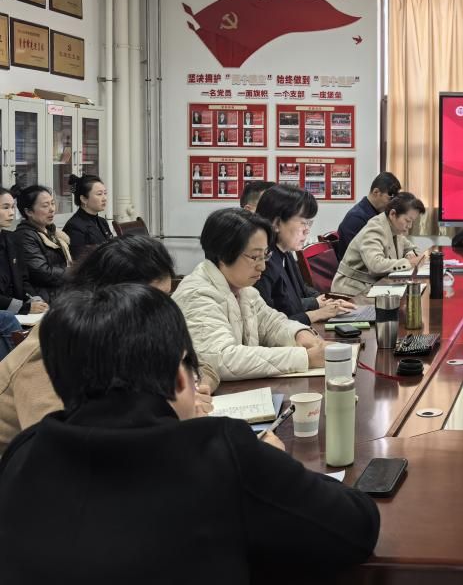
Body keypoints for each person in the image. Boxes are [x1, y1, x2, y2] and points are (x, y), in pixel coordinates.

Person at [0, 284, 380, 583]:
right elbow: (356, 528)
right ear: (181, 376)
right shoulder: (218, 450)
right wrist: (274, 460)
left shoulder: (23, 455)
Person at [0, 235, 216, 454]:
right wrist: (171, 408)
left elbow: (201, 366)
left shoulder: (130, 332)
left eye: (166, 298)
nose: (162, 312)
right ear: (106, 297)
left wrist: (194, 388)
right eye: (149, 303)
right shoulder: (52, 349)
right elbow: (62, 449)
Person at [174, 209, 326, 381]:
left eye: (265, 255)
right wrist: (305, 358)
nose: (262, 266)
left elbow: (272, 324)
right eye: (254, 257)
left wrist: (300, 334)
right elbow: (222, 359)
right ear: (223, 255)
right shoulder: (196, 295)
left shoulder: (244, 289)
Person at [254, 185, 352, 325]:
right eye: (303, 222)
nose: (307, 230)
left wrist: (328, 301)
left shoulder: (285, 252)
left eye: (309, 223)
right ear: (276, 223)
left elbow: (302, 290)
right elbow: (269, 325)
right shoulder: (263, 263)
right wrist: (316, 314)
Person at [333, 192, 428, 296]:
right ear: (393, 214)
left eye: (412, 222)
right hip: (352, 287)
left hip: (374, 283)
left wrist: (410, 253)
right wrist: (409, 262)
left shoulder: (395, 229)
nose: (409, 226)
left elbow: (413, 249)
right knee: (404, 300)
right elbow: (376, 265)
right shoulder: (375, 229)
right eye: (407, 220)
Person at [12, 185, 70, 303]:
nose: (52, 209)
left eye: (52, 203)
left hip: (62, 292)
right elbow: (42, 272)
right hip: (45, 298)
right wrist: (74, 272)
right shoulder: (25, 236)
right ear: (28, 212)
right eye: (45, 205)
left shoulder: (52, 232)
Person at [0, 187, 46, 317]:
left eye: (12, 207)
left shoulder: (12, 239)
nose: (11, 213)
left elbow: (23, 279)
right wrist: (23, 308)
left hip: (19, 313)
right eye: (5, 207)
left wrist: (35, 300)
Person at [336, 172, 402, 261]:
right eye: (390, 198)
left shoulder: (378, 214)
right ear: (376, 192)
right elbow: (366, 257)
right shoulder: (356, 218)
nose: (392, 203)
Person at [62, 174, 114, 261]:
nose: (104, 198)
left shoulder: (102, 221)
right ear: (84, 199)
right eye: (99, 194)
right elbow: (80, 261)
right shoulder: (74, 227)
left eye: (105, 193)